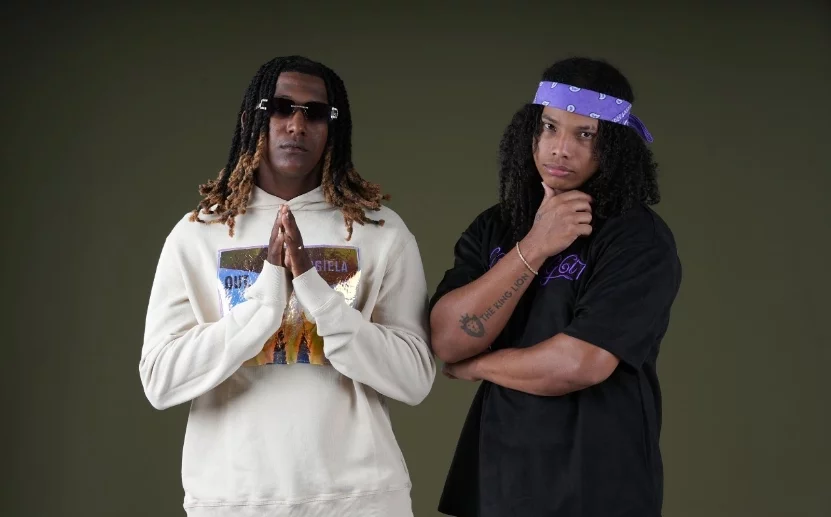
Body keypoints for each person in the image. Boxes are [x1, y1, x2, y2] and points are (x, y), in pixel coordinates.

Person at [139, 55, 435, 517]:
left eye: (315, 113)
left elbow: (414, 378)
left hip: (361, 501)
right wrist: (263, 305)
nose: (297, 125)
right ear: (250, 118)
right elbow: (161, 380)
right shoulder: (198, 233)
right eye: (279, 108)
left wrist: (316, 292)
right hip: (233, 503)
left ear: (333, 128)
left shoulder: (379, 230)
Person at [429, 57, 682, 516]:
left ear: (615, 145)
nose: (560, 149)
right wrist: (535, 245)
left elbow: (580, 363)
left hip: (595, 485)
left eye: (585, 135)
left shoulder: (637, 238)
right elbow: (448, 339)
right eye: (549, 127)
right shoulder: (496, 226)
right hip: (498, 480)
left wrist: (480, 365)